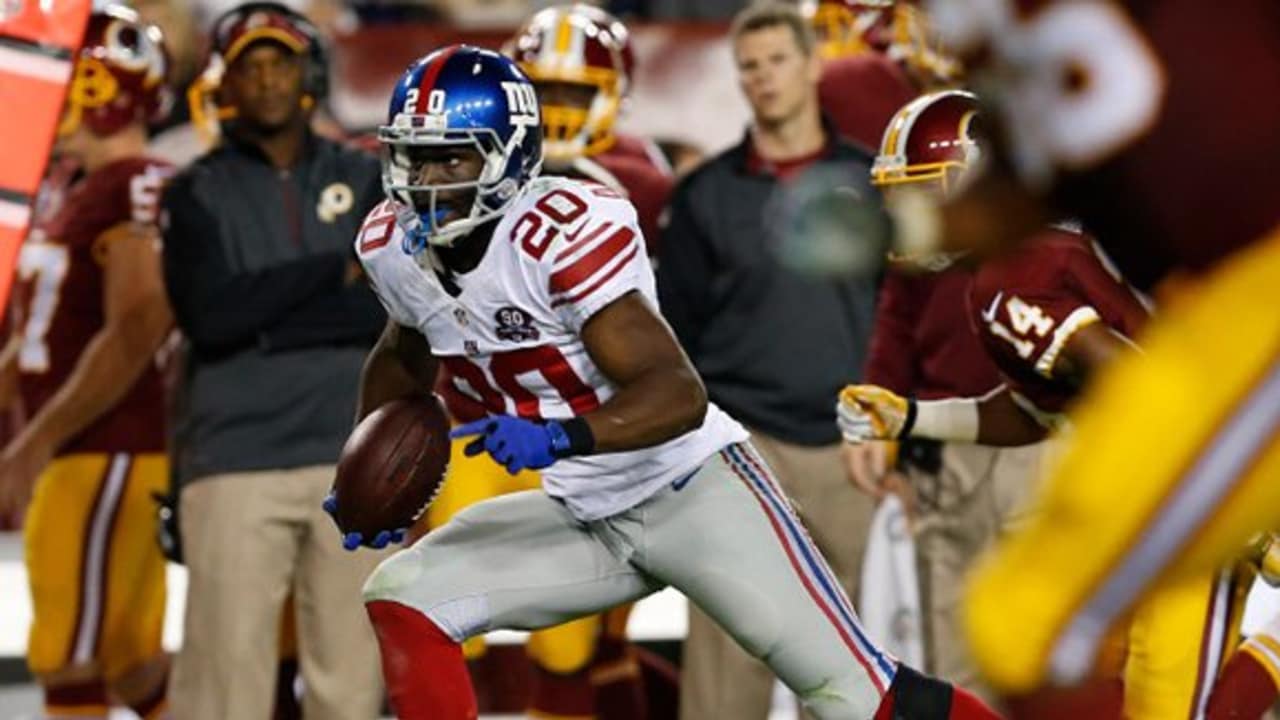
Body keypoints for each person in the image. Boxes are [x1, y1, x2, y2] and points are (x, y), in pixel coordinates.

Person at [333, 42, 1001, 720]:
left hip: (690, 492)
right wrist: (366, 469)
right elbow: (402, 350)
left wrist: (561, 439)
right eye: (416, 156)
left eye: (453, 157)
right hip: (583, 510)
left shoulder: (558, 235)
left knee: (857, 698)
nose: (428, 181)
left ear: (509, 156)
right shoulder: (394, 245)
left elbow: (678, 394)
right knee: (405, 593)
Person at [877, 0, 1280, 713]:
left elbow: (1116, 372)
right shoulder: (1022, 254)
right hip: (1228, 310)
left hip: (1250, 306)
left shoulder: (1013, 282)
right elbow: (1033, 406)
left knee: (1027, 626)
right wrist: (915, 417)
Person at [405, 7, 673, 719]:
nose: (558, 114)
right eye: (544, 94)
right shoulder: (452, 166)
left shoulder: (639, 185)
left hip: (578, 432)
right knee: (453, 615)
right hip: (474, 424)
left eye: (575, 95)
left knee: (573, 642)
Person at [159, 3, 387, 718]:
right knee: (224, 693)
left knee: (351, 691)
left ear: (309, 71)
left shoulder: (372, 174)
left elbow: (386, 309)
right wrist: (330, 270)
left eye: (279, 62)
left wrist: (264, 309)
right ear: (224, 82)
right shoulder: (192, 189)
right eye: (248, 66)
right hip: (233, 462)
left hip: (353, 458)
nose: (265, 80)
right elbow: (213, 317)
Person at [654, 4, 882, 717]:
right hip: (739, 447)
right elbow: (673, 337)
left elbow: (902, 313)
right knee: (727, 658)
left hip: (850, 448)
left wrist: (891, 426)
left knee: (851, 661)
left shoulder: (875, 183)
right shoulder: (704, 195)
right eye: (749, 65)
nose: (764, 78)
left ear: (814, 65)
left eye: (778, 59)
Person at [0, 7, 175, 718]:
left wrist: (36, 439)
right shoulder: (75, 186)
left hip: (105, 446)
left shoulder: (133, 180)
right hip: (86, 445)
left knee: (68, 655)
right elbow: (45, 333)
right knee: (128, 659)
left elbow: (137, 327)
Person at [844, 90, 1044, 704]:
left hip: (1036, 444)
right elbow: (896, 323)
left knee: (1044, 643)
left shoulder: (1052, 249)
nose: (907, 209)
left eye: (921, 188)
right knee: (953, 648)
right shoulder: (919, 262)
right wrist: (879, 415)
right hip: (943, 441)